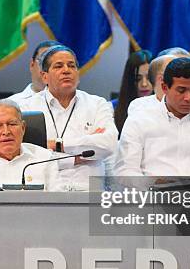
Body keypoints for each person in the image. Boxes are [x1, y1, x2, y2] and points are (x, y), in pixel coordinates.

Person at [19, 45, 118, 190]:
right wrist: (76, 157)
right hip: (47, 193)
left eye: (71, 66)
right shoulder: (26, 108)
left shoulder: (97, 104)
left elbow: (108, 145)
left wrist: (55, 145)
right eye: (58, 66)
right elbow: (30, 156)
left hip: (90, 193)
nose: (66, 70)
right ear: (44, 76)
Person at [115, 57, 190, 176]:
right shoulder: (139, 120)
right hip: (152, 192)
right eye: (181, 90)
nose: (188, 98)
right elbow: (125, 170)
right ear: (164, 87)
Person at [114, 49, 152, 133]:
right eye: (138, 79)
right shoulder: (112, 109)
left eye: (149, 78)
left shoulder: (167, 108)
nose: (144, 84)